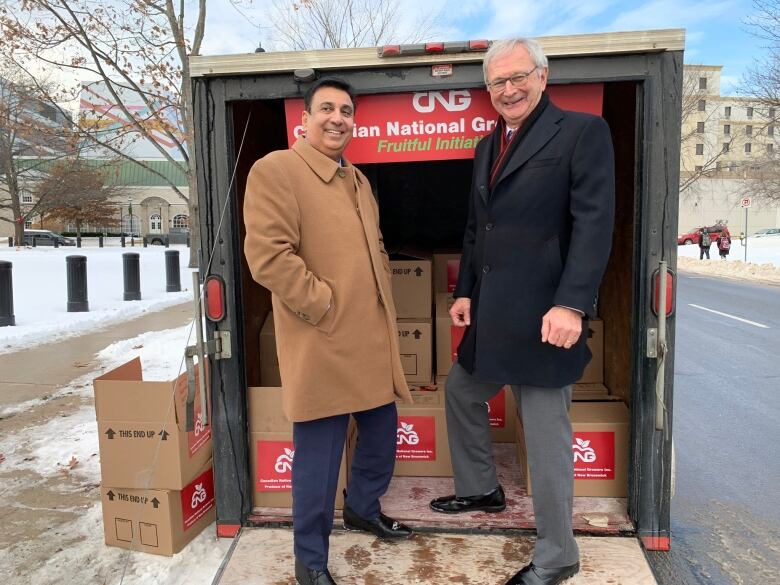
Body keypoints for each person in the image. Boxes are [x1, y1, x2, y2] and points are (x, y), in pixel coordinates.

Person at [428, 38, 615, 585]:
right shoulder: (489, 145)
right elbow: (476, 226)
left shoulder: (582, 132)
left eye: (518, 77)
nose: (508, 90)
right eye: (497, 82)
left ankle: (559, 556)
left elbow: (594, 224)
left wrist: (572, 302)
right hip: (492, 313)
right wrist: (463, 291)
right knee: (461, 392)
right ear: (487, 90)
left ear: (542, 75)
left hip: (545, 318)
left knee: (546, 433)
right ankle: (481, 489)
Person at [243, 77, 413, 585]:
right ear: (305, 119)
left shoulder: (357, 180)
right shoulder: (277, 169)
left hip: (370, 337)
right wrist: (325, 304)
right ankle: (309, 561)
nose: (337, 117)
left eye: (345, 110)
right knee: (317, 460)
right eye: (326, 108)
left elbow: (375, 245)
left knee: (382, 434)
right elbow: (268, 257)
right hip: (322, 339)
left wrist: (381, 289)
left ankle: (362, 508)